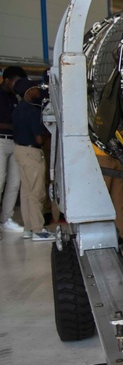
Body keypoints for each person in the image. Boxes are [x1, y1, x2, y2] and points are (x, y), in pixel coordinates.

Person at [12, 78, 53, 242]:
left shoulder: (17, 109)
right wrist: (48, 132)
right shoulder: (33, 111)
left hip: (19, 150)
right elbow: (39, 139)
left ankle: (28, 229)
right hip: (32, 153)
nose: (38, 91)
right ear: (29, 92)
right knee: (37, 192)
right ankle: (38, 229)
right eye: (35, 88)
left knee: (26, 192)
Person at [0, 66, 26, 234]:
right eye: (16, 82)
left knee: (14, 183)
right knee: (0, 181)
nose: (18, 85)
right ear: (7, 80)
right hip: (1, 141)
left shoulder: (15, 97)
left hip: (15, 142)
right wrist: (11, 126)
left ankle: (6, 219)